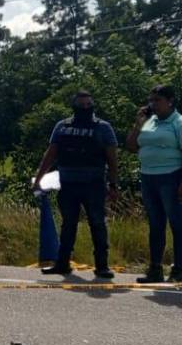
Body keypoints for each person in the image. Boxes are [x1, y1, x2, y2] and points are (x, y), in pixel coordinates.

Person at [33, 91, 119, 279]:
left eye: (89, 105)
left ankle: (102, 266)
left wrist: (113, 185)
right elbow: (51, 153)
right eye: (82, 105)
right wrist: (38, 178)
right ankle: (62, 264)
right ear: (74, 107)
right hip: (68, 183)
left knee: (97, 223)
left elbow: (112, 159)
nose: (86, 108)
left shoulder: (103, 127)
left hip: (94, 183)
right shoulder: (62, 126)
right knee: (68, 225)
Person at [126, 84, 182, 283]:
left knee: (177, 224)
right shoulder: (148, 121)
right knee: (156, 225)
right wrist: (138, 124)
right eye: (151, 100)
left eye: (157, 100)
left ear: (170, 101)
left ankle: (178, 269)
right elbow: (132, 146)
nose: (153, 104)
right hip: (148, 177)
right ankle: (155, 269)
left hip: (171, 176)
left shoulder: (178, 122)